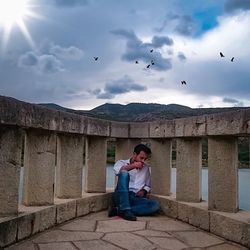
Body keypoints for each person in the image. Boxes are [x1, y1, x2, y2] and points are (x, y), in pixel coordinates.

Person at [108, 143, 160, 221]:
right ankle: (125, 209)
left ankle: (119, 210)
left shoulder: (146, 168)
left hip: (135, 197)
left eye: (145, 159)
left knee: (155, 205)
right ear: (134, 154)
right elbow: (119, 171)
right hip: (122, 194)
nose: (143, 161)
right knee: (124, 173)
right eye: (141, 158)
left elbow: (148, 185)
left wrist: (143, 190)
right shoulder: (121, 163)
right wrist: (133, 166)